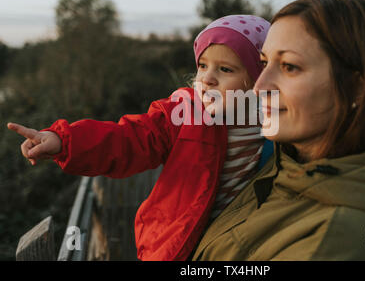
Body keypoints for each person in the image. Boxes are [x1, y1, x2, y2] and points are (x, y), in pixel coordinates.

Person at [189, 0, 365, 260]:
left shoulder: (341, 241)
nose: (260, 86)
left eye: (289, 66)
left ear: (358, 87)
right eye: (264, 63)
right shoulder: (283, 164)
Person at [7, 14, 273, 261]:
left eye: (225, 70)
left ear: (257, 79)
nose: (207, 78)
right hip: (182, 244)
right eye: (203, 66)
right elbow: (128, 139)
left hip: (245, 246)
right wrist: (65, 142)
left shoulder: (278, 125)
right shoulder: (183, 114)